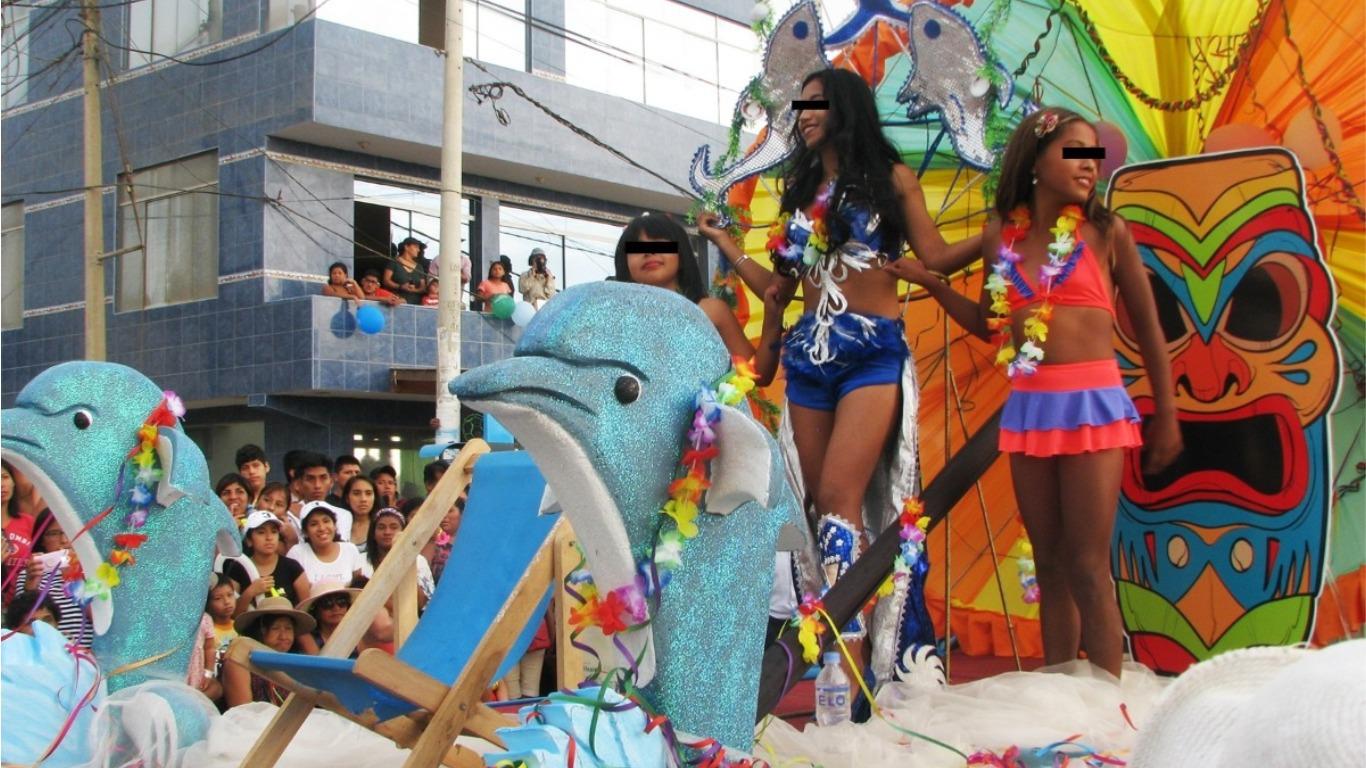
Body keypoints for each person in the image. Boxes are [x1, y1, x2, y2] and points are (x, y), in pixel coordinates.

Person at [696, 68, 981, 681]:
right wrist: (726, 244)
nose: (805, 114)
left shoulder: (892, 180)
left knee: (841, 496)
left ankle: (845, 661)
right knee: (815, 502)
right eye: (800, 106)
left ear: (846, 107)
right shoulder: (800, 197)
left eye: (817, 103)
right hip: (809, 358)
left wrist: (1000, 231)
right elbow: (778, 290)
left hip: (871, 353)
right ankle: (833, 647)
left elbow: (937, 256)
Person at [887, 107, 1182, 677]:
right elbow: (989, 322)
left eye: (1094, 155)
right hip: (1030, 410)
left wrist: (1166, 413)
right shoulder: (1002, 235)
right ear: (1036, 160)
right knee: (1049, 566)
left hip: (1093, 407)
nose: (1090, 165)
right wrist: (932, 285)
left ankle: (1107, 702)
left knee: (1087, 565)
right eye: (1076, 152)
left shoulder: (1106, 232)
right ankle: (1062, 693)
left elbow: (1149, 330)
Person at [613, 212, 783, 376]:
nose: (648, 252)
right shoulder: (616, 318)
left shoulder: (712, 311)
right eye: (636, 248)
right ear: (625, 265)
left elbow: (757, 372)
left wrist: (773, 318)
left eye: (658, 243)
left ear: (681, 255)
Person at [223, 595, 314, 707]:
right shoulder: (239, 660)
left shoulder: (297, 664)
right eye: (275, 628)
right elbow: (242, 709)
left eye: (288, 628)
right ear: (260, 630)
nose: (283, 636)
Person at [16, 511, 90, 647]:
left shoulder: (93, 571)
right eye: (54, 533)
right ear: (42, 540)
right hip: (47, 653)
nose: (64, 540)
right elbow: (22, 624)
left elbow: (102, 620)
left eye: (69, 531)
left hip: (86, 653)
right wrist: (31, 587)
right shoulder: (31, 573)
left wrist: (75, 576)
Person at [223, 510, 311, 614]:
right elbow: (232, 614)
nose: (269, 538)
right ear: (249, 540)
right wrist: (250, 592)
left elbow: (306, 609)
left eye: (274, 532)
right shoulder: (238, 568)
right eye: (261, 532)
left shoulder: (292, 567)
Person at [362, 507, 434, 609]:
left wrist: (403, 561)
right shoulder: (361, 561)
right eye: (381, 527)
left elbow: (424, 603)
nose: (387, 532)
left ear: (403, 532)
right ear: (373, 534)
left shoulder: (418, 560)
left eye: (394, 527)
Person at [297, 581, 393, 655]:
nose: (336, 608)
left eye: (341, 602)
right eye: (327, 603)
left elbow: (386, 634)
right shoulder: (307, 636)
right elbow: (318, 667)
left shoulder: (361, 633)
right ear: (316, 610)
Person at [287, 501, 366, 587]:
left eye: (326, 521)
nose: (321, 528)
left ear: (335, 525)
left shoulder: (350, 550)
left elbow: (358, 587)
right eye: (314, 524)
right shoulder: (297, 553)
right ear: (305, 532)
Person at [2, 460, 34, 606]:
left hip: (24, 605)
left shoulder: (28, 522)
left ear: (14, 482)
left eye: (5, 477)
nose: (2, 484)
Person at [385, 237, 430, 305]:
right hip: (397, 301)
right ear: (406, 247)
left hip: (415, 303)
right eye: (416, 247)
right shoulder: (394, 262)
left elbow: (423, 287)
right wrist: (400, 286)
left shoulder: (419, 267)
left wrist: (414, 290)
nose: (418, 250)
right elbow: (386, 281)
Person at [342, 475, 380, 553]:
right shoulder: (338, 525)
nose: (363, 499)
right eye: (356, 494)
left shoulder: (380, 525)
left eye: (368, 493)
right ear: (347, 498)